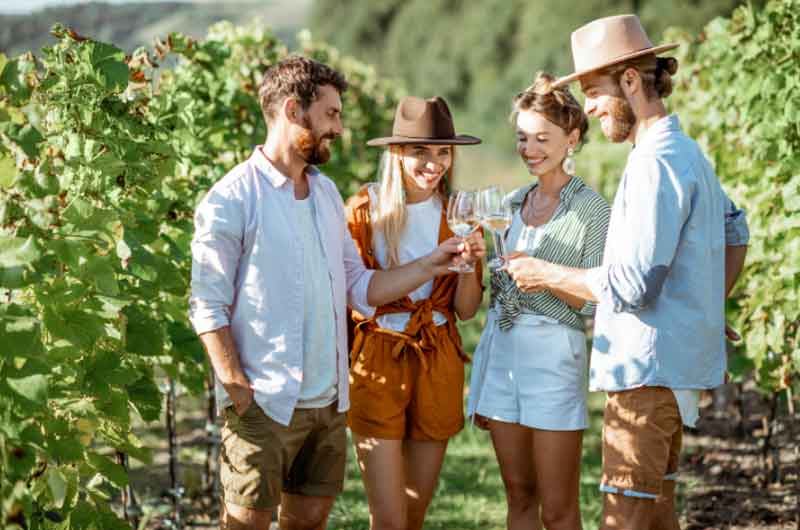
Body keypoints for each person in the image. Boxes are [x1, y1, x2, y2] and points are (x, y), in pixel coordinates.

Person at [188, 57, 474, 530]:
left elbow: (362, 287)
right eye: (331, 114)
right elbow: (207, 307)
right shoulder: (233, 198)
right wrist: (240, 392)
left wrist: (431, 263)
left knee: (309, 521)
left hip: (326, 403)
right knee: (246, 523)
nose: (339, 128)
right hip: (266, 402)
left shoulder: (324, 195)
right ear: (292, 110)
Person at [505, 15, 750, 530]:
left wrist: (544, 273)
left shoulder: (652, 164)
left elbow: (630, 286)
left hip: (644, 377)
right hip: (668, 378)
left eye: (593, 91)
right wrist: (708, 305)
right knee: (658, 518)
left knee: (624, 521)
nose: (589, 108)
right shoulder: (685, 153)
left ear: (631, 81)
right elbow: (736, 229)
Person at [466, 72, 610, 530]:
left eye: (542, 139)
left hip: (553, 357)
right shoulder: (508, 204)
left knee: (560, 508)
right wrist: (473, 259)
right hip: (504, 348)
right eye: (522, 138)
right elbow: (488, 290)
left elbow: (596, 297)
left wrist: (545, 278)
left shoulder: (593, 209)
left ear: (572, 138)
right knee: (519, 496)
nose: (529, 150)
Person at [345, 95, 486, 530]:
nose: (434, 163)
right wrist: (431, 263)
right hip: (380, 357)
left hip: (436, 356)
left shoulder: (459, 213)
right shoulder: (365, 211)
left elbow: (465, 310)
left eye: (443, 152)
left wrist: (469, 266)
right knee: (388, 518)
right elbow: (359, 295)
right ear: (396, 153)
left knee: (414, 514)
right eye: (420, 151)